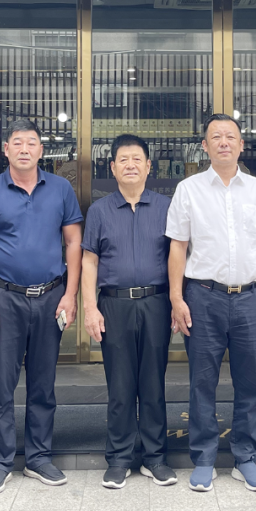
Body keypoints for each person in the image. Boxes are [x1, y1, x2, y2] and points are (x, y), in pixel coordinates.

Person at [0, 119, 84, 494]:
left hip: (50, 297)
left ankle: (38, 458)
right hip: (3, 297)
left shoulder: (61, 188)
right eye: (17, 142)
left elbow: (74, 243)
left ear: (41, 150)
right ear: (6, 149)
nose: (24, 149)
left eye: (31, 142)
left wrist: (70, 294)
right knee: (1, 385)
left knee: (43, 384)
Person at [167, 113, 256, 492]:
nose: (223, 143)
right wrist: (176, 298)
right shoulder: (189, 189)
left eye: (230, 137)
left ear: (241, 144)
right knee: (203, 382)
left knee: (250, 383)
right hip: (204, 297)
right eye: (215, 137)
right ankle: (204, 458)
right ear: (205, 146)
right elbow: (178, 248)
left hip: (250, 297)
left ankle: (246, 458)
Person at [82, 134, 176, 489]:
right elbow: (89, 261)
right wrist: (90, 307)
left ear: (149, 166)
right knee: (120, 385)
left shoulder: (166, 207)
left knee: (153, 383)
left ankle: (155, 457)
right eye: (123, 159)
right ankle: (119, 458)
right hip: (114, 305)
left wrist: (177, 302)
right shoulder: (100, 210)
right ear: (113, 167)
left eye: (137, 159)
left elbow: (177, 257)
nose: (131, 165)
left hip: (156, 303)